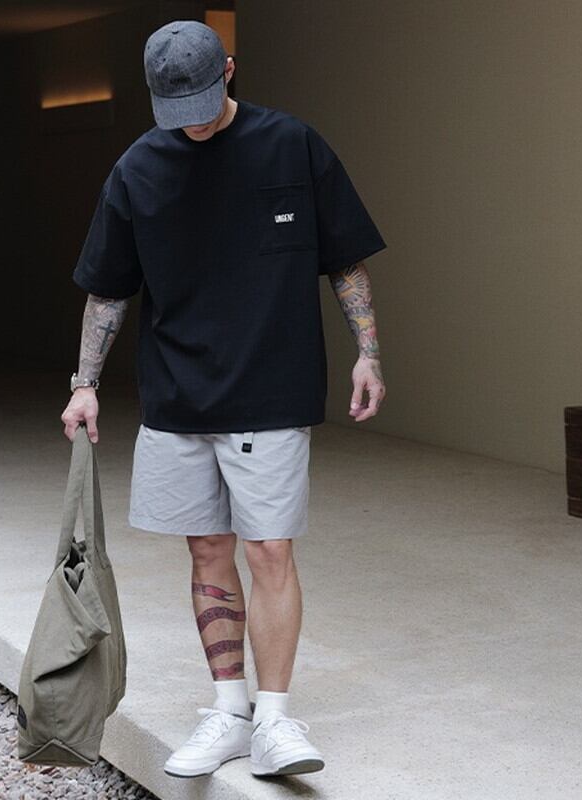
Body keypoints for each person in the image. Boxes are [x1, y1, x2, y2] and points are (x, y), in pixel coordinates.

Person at [60, 19, 387, 779]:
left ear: (230, 70)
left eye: (204, 104)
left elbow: (346, 261)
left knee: (269, 549)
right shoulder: (137, 169)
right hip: (178, 396)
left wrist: (368, 352)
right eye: (177, 110)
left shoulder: (292, 145)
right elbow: (108, 289)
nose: (195, 122)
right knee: (207, 551)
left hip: (272, 389)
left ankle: (274, 719)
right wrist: (84, 383)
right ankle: (230, 710)